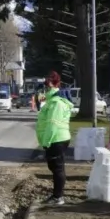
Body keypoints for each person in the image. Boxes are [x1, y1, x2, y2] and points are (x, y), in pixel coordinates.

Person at [36, 71, 73, 206]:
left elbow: (52, 124)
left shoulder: (56, 103)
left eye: (47, 86)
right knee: (56, 167)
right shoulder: (51, 101)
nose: (45, 89)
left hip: (56, 139)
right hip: (56, 139)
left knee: (57, 168)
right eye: (45, 87)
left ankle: (58, 197)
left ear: (54, 86)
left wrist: (46, 142)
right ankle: (57, 195)